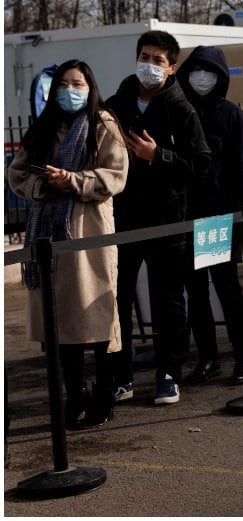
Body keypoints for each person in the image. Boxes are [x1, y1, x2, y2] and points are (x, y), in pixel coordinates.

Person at [8, 60, 129, 428]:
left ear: (90, 88)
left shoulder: (103, 123)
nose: (69, 90)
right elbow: (17, 173)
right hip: (47, 233)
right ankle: (74, 395)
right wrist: (44, 185)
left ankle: (104, 393)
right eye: (63, 83)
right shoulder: (43, 128)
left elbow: (115, 174)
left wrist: (74, 181)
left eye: (77, 83)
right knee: (61, 321)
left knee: (98, 317)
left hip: (89, 229)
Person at [107, 30, 211, 406]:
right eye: (144, 56)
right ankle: (119, 375)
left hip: (168, 220)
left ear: (172, 68)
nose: (149, 65)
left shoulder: (182, 110)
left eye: (158, 60)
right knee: (116, 299)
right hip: (122, 219)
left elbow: (201, 167)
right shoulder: (115, 105)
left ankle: (169, 373)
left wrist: (159, 157)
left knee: (167, 299)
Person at [175, 45, 243, 386]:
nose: (202, 78)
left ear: (220, 77)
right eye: (196, 70)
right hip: (184, 216)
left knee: (227, 289)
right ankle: (207, 358)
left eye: (209, 71)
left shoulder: (231, 115)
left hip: (219, 217)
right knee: (195, 293)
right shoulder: (177, 112)